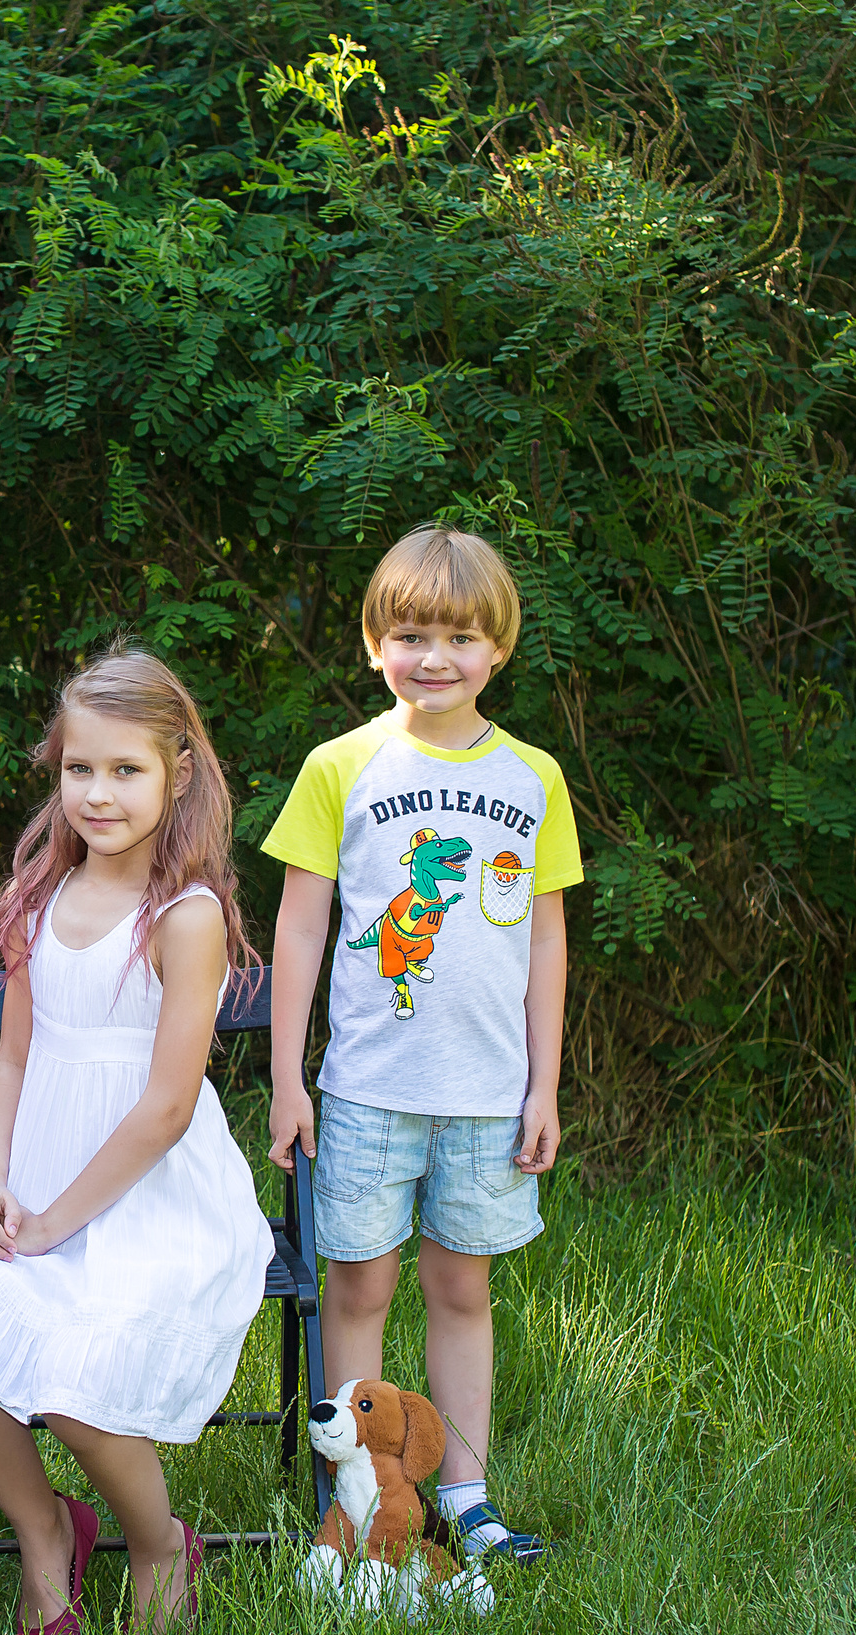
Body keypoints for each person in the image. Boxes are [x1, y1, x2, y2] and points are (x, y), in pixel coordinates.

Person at [0, 645, 273, 1635]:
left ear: (177, 774)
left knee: (65, 1371)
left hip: (154, 1197)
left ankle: (159, 1545)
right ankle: (45, 1532)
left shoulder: (184, 917)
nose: (98, 794)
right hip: (37, 1182)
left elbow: (162, 1107)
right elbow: (14, 1060)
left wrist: (60, 1221)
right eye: (78, 770)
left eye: (125, 771)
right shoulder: (40, 898)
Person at [261, 524, 583, 1569]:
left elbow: (543, 936)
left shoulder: (533, 777)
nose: (433, 656)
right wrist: (284, 1079)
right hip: (363, 1090)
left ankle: (467, 1496)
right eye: (409, 633)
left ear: (498, 647)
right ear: (371, 643)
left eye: (457, 635)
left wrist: (544, 1086)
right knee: (357, 1290)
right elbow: (300, 927)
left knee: (461, 1290)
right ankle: (354, 1501)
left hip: (488, 1096)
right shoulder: (339, 766)